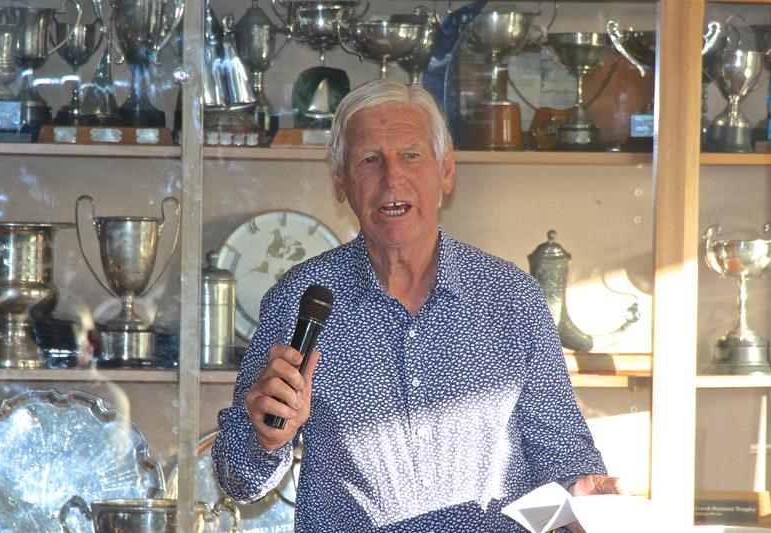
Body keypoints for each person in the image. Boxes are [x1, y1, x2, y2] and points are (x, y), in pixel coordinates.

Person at [212, 78, 622, 532]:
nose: (392, 178)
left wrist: (583, 492)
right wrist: (267, 440)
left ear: (446, 172)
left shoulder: (512, 299)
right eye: (369, 160)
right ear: (341, 184)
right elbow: (238, 479)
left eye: (410, 156)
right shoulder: (302, 298)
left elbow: (564, 458)